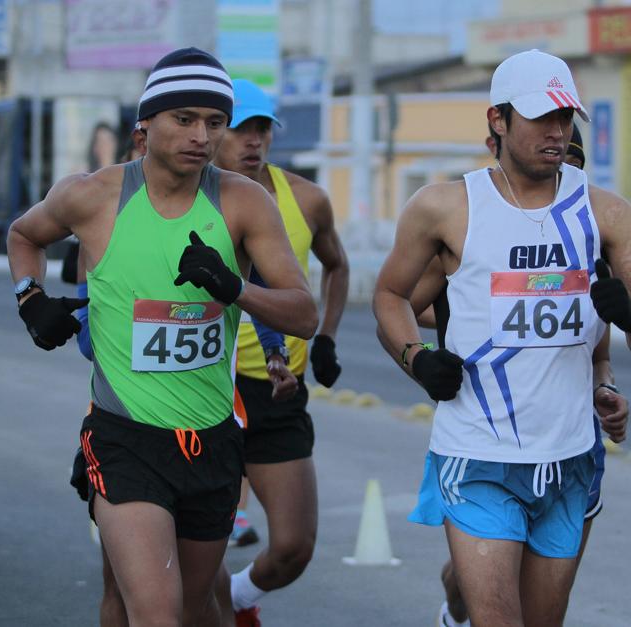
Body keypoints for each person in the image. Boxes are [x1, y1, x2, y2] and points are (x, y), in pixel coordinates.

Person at [7, 47, 318, 627]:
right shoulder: (94, 195)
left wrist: (233, 287)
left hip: (212, 440)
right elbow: (24, 234)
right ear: (144, 125)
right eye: (185, 119)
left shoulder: (244, 202)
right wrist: (30, 300)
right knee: (157, 615)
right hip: (126, 438)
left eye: (214, 122)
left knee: (191, 608)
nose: (202, 135)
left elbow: (304, 314)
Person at [373, 49, 631, 627]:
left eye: (566, 117)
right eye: (541, 118)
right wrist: (417, 358)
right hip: (477, 450)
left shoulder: (607, 214)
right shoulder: (445, 206)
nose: (557, 131)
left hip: (570, 456)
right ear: (498, 120)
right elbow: (390, 296)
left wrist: (629, 317)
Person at [405, 124, 625, 627]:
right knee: (491, 593)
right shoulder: (476, 228)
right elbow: (409, 306)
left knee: (541, 609)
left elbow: (597, 351)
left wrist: (606, 388)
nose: (559, 170)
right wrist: (473, 311)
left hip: (571, 448)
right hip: (487, 444)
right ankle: (458, 596)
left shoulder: (596, 240)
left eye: (572, 163)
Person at [212, 78, 349, 626]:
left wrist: (329, 338)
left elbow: (337, 266)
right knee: (200, 544)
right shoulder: (191, 200)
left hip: (277, 390)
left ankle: (239, 598)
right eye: (242, 129)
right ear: (217, 132)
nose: (253, 140)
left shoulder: (307, 199)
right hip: (208, 392)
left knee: (293, 547)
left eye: (262, 129)